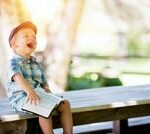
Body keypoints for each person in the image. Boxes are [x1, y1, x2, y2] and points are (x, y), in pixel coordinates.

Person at [6, 21, 73, 134]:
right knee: (44, 108)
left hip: (38, 95)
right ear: (14, 44)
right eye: (26, 36)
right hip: (21, 98)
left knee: (65, 104)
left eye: (34, 37)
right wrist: (30, 91)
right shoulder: (14, 62)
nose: (31, 38)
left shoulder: (35, 63)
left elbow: (43, 81)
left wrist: (46, 89)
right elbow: (18, 77)